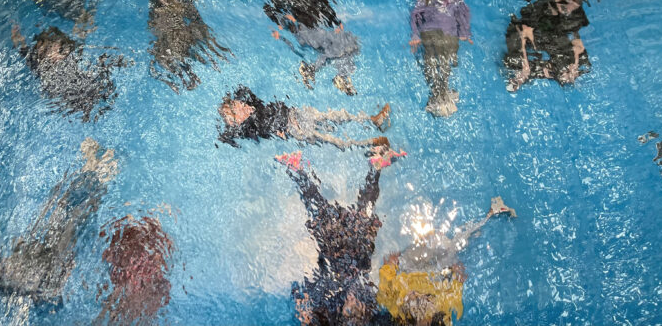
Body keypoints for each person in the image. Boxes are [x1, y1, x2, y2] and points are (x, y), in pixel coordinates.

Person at [276, 147, 405, 326]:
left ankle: (296, 169)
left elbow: (300, 289)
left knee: (321, 214)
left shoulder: (328, 312)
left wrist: (302, 306)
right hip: (359, 254)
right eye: (357, 312)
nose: (352, 302)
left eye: (349, 311)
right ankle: (375, 168)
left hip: (334, 256)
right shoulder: (375, 317)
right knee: (364, 213)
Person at [0, 139, 118, 303]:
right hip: (59, 241)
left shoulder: (33, 278)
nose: (5, 261)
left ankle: (93, 161)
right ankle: (95, 160)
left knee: (72, 207)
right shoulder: (38, 280)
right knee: (72, 208)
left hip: (55, 242)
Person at [377, 197, 516, 326]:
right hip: (435, 275)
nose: (416, 294)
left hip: (410, 269)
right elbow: (456, 287)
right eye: (423, 299)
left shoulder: (394, 304)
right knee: (453, 248)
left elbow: (386, 277)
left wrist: (391, 264)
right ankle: (489, 216)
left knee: (423, 246)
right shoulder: (442, 309)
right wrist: (457, 276)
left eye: (413, 296)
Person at [264, 0, 359, 95]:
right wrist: (283, 20)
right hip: (305, 32)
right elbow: (268, 6)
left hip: (315, 30)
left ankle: (339, 76)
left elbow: (326, 10)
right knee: (338, 47)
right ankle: (315, 71)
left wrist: (335, 22)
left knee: (350, 44)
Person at [12, 24, 126, 122]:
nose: (50, 56)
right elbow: (26, 53)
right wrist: (20, 41)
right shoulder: (39, 65)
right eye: (43, 50)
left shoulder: (69, 62)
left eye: (50, 49)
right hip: (69, 100)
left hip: (82, 93)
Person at [217, 86, 391, 150]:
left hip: (294, 114)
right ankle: (370, 142)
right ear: (238, 121)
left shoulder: (251, 103)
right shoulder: (251, 125)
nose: (239, 104)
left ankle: (372, 119)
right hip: (294, 128)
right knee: (331, 139)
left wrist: (234, 99)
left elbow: (243, 90)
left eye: (236, 103)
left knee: (332, 115)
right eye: (235, 109)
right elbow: (266, 128)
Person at [503, 0, 592, 92]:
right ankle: (539, 70)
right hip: (526, 30)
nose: (569, 10)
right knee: (513, 63)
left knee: (576, 67)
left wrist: (574, 65)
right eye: (565, 4)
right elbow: (522, 31)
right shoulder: (542, 9)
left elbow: (576, 37)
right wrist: (525, 69)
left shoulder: (576, 13)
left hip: (552, 34)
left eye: (576, 3)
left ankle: (546, 69)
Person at [148, 0, 232, 94]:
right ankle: (189, 75)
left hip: (172, 38)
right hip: (178, 35)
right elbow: (196, 19)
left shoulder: (157, 9)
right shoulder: (178, 0)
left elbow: (154, 28)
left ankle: (186, 77)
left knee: (166, 56)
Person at [409, 0, 472, 117]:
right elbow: (415, 15)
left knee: (444, 62)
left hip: (449, 34)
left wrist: (464, 33)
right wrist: (415, 35)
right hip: (431, 32)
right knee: (431, 60)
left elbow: (463, 14)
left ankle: (441, 93)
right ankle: (439, 94)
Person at [95, 216, 174, 326]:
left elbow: (107, 251)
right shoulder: (158, 247)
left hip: (130, 268)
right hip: (142, 273)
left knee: (116, 307)